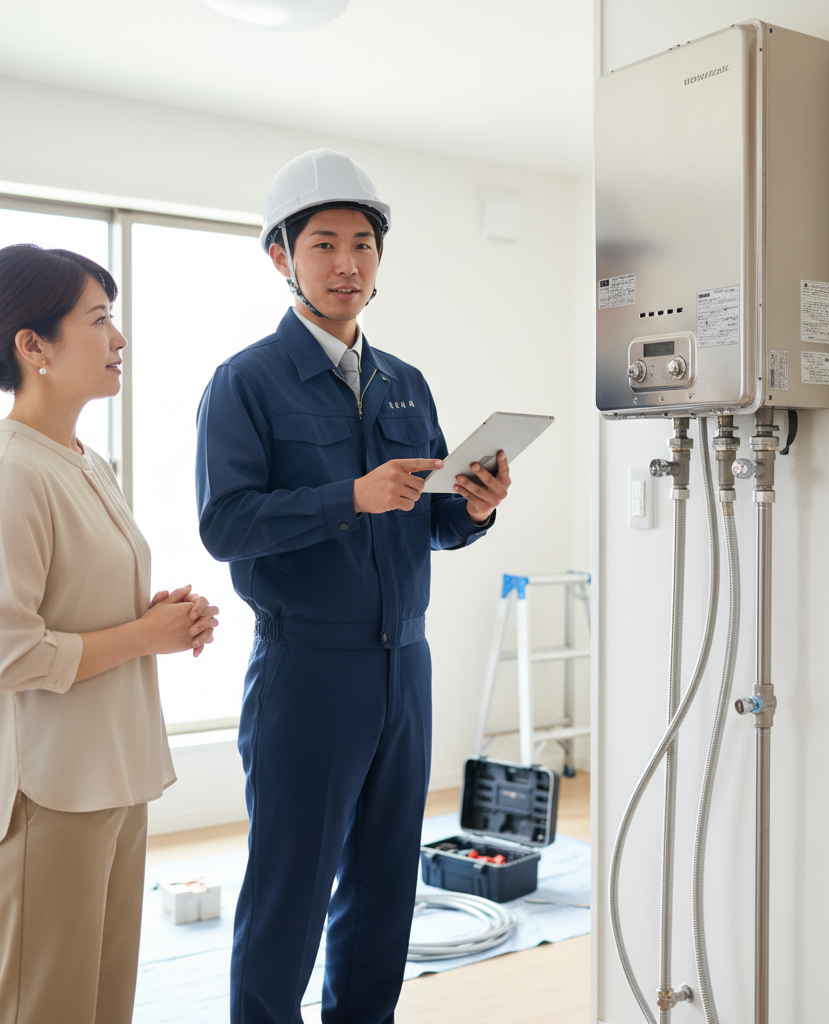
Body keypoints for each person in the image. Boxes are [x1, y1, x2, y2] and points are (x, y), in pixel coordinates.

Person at [196, 149, 511, 1024]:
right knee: (290, 889)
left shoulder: (405, 384)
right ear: (281, 257)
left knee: (384, 884)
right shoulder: (245, 383)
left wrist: (474, 508)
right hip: (308, 669)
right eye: (325, 244)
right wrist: (349, 497)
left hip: (405, 666)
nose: (347, 264)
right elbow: (226, 526)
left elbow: (430, 523)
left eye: (363, 245)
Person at [0, 244, 220, 1024]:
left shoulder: (90, 462)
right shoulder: (14, 471)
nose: (118, 339)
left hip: (117, 774)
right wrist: (143, 635)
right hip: (54, 788)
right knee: (48, 1006)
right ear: (33, 346)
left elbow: (83, 606)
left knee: (106, 1004)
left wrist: (164, 617)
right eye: (98, 321)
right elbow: (11, 652)